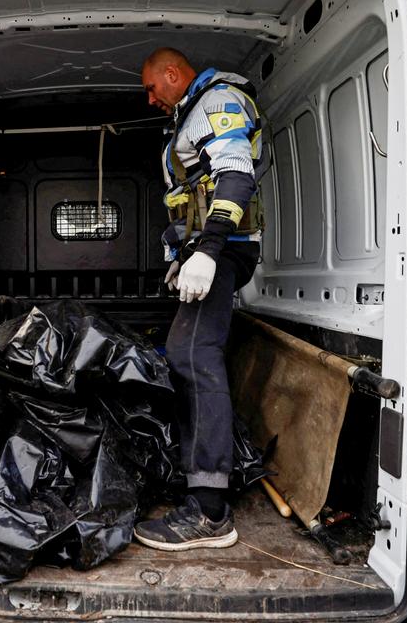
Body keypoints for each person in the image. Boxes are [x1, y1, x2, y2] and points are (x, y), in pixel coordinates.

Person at [133, 48, 265, 551]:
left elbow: (236, 178)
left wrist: (208, 252)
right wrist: (181, 253)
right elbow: (192, 194)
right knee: (184, 354)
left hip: (224, 250)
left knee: (195, 356)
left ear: (172, 73)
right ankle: (199, 484)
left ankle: (210, 512)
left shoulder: (217, 103)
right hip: (208, 250)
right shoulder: (188, 115)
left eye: (151, 87)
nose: (150, 99)